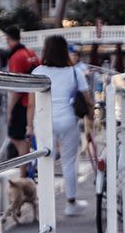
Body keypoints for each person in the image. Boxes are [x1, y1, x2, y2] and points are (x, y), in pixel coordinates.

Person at [31, 35, 87, 216]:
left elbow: (31, 103)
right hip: (68, 120)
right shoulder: (74, 72)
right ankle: (71, 203)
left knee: (45, 160)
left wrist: (29, 126)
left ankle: (45, 205)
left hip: (44, 120)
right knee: (69, 161)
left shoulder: (38, 72)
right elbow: (87, 98)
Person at [3, 26, 38, 153]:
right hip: (34, 100)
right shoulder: (31, 53)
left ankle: (23, 171)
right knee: (26, 136)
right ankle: (27, 167)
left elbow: (17, 87)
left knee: (17, 138)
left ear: (7, 38)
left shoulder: (16, 57)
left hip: (23, 103)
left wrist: (9, 109)